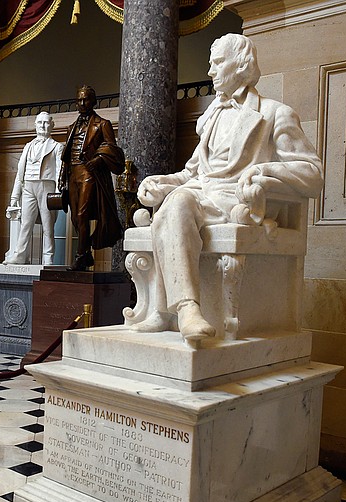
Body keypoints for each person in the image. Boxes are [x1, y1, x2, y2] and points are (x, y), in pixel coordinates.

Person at [133, 33, 324, 341]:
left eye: (218, 62)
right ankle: (181, 311)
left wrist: (264, 170)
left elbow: (313, 174)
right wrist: (161, 182)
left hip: (236, 202)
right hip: (200, 196)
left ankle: (181, 310)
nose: (210, 71)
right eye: (211, 64)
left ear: (242, 65)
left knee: (178, 203)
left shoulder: (275, 114)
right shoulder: (210, 117)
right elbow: (192, 173)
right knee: (177, 199)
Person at [59, 85, 125, 271]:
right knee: (75, 218)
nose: (82, 103)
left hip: (89, 172)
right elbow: (66, 154)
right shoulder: (72, 127)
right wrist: (62, 177)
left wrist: (98, 160)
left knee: (83, 215)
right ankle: (86, 253)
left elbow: (112, 148)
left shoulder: (102, 124)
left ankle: (80, 256)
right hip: (73, 173)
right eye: (79, 100)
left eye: (86, 99)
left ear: (93, 101)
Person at [4, 112, 63, 266]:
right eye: (40, 123)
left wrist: (58, 192)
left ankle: (48, 257)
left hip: (47, 186)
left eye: (46, 122)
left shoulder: (57, 147)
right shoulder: (28, 146)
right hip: (28, 186)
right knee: (26, 224)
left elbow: (59, 172)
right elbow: (20, 173)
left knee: (48, 224)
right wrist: (14, 197)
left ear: (52, 125)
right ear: (35, 125)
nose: (43, 125)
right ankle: (20, 255)